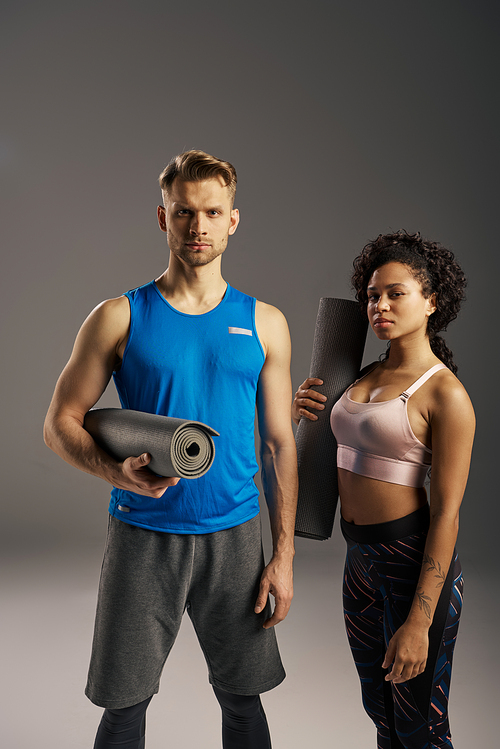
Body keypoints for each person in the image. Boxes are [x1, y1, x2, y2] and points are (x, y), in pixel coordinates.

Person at [44, 149, 298, 749]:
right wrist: (114, 472)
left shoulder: (266, 322)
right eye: (184, 212)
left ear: (233, 220)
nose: (198, 227)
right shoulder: (118, 316)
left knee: (242, 699)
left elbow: (281, 443)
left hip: (235, 534)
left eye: (213, 213)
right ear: (164, 218)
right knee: (125, 705)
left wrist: (283, 556)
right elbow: (60, 422)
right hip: (143, 533)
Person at [292, 231, 475, 749]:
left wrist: (420, 619)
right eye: (373, 295)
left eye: (397, 293)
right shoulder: (362, 374)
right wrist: (297, 409)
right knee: (381, 712)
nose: (381, 305)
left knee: (421, 724)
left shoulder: (444, 394)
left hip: (412, 560)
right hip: (360, 561)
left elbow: (447, 517)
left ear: (432, 301)